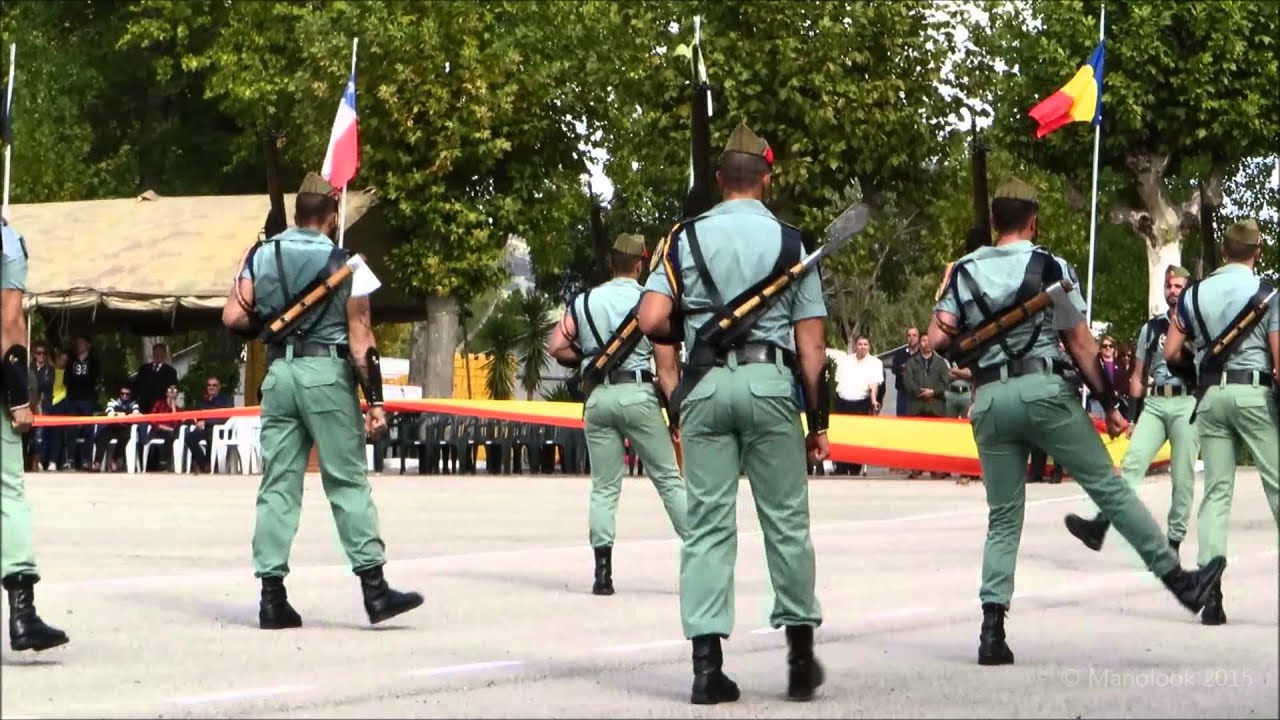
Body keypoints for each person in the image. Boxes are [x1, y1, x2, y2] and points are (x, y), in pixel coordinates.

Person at [926, 178, 1225, 666]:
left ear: (995, 223)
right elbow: (1081, 345)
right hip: (1042, 391)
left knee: (1003, 516)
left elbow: (938, 341)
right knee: (1109, 489)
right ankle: (1180, 582)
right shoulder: (1049, 266)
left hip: (990, 400)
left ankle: (991, 630)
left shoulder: (963, 272)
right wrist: (1108, 403)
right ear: (1032, 221)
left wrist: (946, 287)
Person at [638, 121, 826, 704]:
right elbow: (812, 348)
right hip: (770, 383)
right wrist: (817, 424)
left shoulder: (683, 239)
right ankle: (798, 658)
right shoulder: (794, 243)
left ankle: (706, 667)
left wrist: (694, 326)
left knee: (708, 527)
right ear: (765, 179)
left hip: (705, 386)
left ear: (720, 180)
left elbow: (649, 320)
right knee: (786, 523)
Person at [221, 172, 422, 630]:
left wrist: (271, 322)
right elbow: (361, 338)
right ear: (331, 218)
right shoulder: (347, 263)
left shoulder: (260, 254)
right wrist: (375, 403)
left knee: (278, 485)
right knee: (347, 481)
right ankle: (375, 591)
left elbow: (234, 315)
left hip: (280, 375)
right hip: (327, 375)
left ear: (296, 215)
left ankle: (271, 597)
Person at [547, 233, 689, 595]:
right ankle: (700, 552)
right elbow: (667, 368)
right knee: (668, 479)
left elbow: (556, 345)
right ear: (640, 264)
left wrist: (590, 361)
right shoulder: (650, 302)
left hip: (598, 398)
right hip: (638, 394)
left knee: (604, 487)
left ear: (611, 262)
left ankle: (603, 574)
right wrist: (676, 417)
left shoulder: (584, 301)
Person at [1163, 219, 1278, 626]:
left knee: (1215, 493)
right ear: (1256, 252)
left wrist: (1200, 362)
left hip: (1210, 397)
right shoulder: (1269, 294)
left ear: (1225, 251)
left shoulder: (1193, 294)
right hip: (1254, 395)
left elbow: (1171, 351)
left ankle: (1212, 595)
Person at [1065, 265, 1199, 556]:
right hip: (1155, 401)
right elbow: (1139, 376)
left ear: (1188, 289)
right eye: (1169, 286)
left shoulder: (1200, 325)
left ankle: (1173, 542)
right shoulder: (1151, 329)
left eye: (1178, 286)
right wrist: (1134, 417)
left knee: (1183, 475)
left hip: (1187, 401)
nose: (1173, 291)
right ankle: (1100, 525)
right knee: (1131, 465)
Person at [1, 217, 70, 652]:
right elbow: (9, 322)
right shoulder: (6, 239)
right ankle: (22, 614)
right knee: (9, 492)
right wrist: (18, 396)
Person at [831, 334, 881, 476]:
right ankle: (840, 467)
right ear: (855, 346)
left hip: (861, 402)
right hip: (843, 401)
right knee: (841, 436)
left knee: (857, 436)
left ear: (869, 346)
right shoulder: (845, 361)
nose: (862, 347)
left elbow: (874, 385)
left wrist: (873, 400)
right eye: (860, 344)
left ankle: (854, 468)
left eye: (865, 344)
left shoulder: (875, 363)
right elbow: (838, 381)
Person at [183, 376, 234, 474]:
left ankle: (209, 463)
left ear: (219, 387)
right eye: (209, 385)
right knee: (189, 436)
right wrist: (197, 422)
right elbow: (197, 414)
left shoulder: (226, 399)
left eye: (214, 385)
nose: (211, 387)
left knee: (211, 434)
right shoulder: (203, 400)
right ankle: (203, 464)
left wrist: (206, 422)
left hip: (220, 429)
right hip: (204, 429)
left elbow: (225, 417)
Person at [91, 384, 141, 472]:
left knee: (126, 437)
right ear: (119, 394)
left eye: (127, 394)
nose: (124, 396)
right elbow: (109, 412)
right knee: (101, 436)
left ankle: (113, 460)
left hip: (124, 428)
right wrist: (120, 415)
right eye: (122, 393)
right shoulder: (113, 401)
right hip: (112, 426)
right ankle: (97, 463)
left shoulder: (133, 403)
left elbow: (136, 414)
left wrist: (125, 415)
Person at [889, 327, 919, 417]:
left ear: (919, 337)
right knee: (902, 421)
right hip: (903, 394)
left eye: (914, 335)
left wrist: (906, 368)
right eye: (909, 335)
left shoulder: (922, 354)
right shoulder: (900, 353)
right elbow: (895, 369)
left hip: (918, 395)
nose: (911, 337)